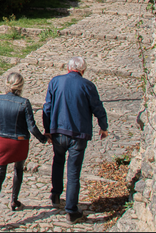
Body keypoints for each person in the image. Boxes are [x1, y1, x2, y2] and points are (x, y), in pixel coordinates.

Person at [42, 56, 108, 224]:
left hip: (58, 131)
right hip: (78, 135)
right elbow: (98, 107)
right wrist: (103, 126)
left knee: (58, 161)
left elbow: (47, 107)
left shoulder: (55, 82)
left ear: (68, 68)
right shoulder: (88, 86)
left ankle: (55, 194)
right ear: (83, 70)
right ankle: (71, 210)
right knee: (73, 171)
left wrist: (47, 130)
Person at [0, 71, 49, 225]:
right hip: (19, 141)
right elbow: (31, 127)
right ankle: (14, 200)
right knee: (18, 169)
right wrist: (43, 138)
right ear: (21, 86)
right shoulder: (24, 103)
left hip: (2, 141)